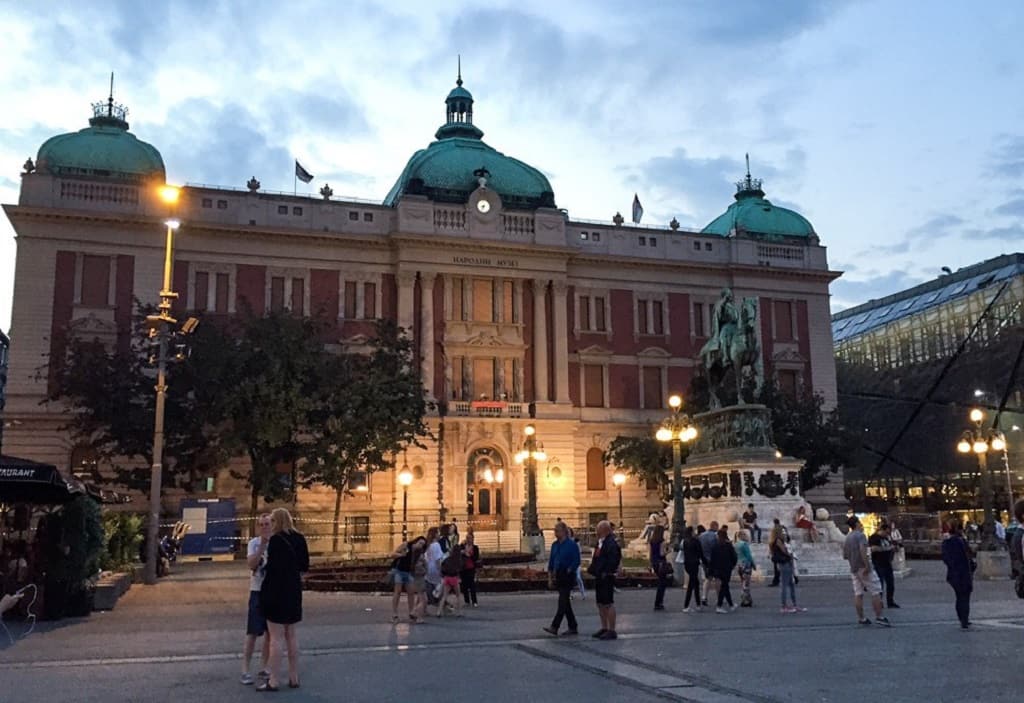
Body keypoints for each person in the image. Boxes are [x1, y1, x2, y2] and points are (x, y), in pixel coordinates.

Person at [257, 508, 310, 691]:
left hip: (275, 592)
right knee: (292, 636)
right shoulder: (300, 538)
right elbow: (305, 565)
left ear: (277, 521)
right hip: (293, 590)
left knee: (276, 638)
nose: (270, 524)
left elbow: (272, 569)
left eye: (272, 521)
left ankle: (273, 679)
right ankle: (294, 676)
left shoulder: (276, 540)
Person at [241, 514, 272, 686]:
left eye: (267, 524)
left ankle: (264, 667)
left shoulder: (276, 543)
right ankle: (245, 669)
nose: (264, 527)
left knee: (270, 633)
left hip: (271, 592)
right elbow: (252, 565)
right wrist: (262, 546)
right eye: (261, 525)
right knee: (252, 632)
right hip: (257, 591)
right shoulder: (254, 543)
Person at [843, 516, 889, 627]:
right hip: (863, 567)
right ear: (857, 524)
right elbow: (863, 550)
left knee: (858, 593)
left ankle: (861, 618)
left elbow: (845, 555)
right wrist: (867, 565)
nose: (861, 524)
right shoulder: (860, 536)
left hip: (853, 568)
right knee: (876, 590)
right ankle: (879, 616)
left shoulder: (848, 537)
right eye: (860, 522)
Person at [543, 521, 581, 636]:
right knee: (565, 603)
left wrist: (570, 569)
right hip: (558, 574)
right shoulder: (555, 545)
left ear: (564, 531)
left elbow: (576, 560)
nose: (555, 532)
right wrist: (550, 577)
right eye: (555, 530)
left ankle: (555, 626)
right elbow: (552, 561)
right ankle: (573, 626)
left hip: (567, 575)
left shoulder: (571, 545)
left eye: (557, 530)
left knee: (562, 601)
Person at [588, 520, 622, 640]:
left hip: (606, 576)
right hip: (599, 575)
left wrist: (606, 571)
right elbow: (596, 557)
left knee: (608, 603)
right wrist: (593, 569)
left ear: (604, 530)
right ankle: (604, 627)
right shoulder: (600, 543)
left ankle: (612, 629)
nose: (596, 532)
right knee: (600, 603)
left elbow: (614, 559)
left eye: (598, 529)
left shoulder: (611, 543)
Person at [941, 520, 974, 630]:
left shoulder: (946, 543)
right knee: (965, 597)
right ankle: (964, 619)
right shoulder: (961, 541)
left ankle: (962, 618)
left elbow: (945, 558)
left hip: (953, 573)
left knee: (959, 596)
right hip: (964, 572)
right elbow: (969, 555)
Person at [388, 535, 422, 623]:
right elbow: (393, 554)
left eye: (422, 544)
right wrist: (401, 555)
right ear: (416, 541)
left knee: (411, 592)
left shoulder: (418, 553)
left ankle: (411, 613)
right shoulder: (406, 545)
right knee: (398, 591)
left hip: (408, 572)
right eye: (420, 543)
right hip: (399, 571)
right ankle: (394, 614)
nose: (420, 545)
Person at [771, 524, 802, 613]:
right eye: (783, 531)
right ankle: (784, 606)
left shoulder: (779, 541)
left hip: (787, 563)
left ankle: (794, 605)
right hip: (784, 564)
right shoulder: (778, 541)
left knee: (791, 585)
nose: (784, 533)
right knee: (784, 586)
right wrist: (790, 554)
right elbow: (785, 552)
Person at [869, 522, 899, 608]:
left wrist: (894, 548)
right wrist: (887, 548)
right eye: (886, 532)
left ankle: (890, 601)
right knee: (880, 584)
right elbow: (873, 549)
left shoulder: (887, 538)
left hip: (887, 563)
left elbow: (891, 546)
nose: (887, 534)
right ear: (882, 530)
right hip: (879, 563)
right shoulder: (874, 537)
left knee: (890, 583)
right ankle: (879, 602)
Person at [709, 526, 737, 613]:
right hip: (726, 569)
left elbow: (712, 560)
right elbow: (734, 557)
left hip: (718, 569)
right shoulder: (728, 546)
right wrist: (732, 565)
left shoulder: (715, 546)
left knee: (725, 586)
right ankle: (719, 605)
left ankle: (731, 604)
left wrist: (711, 571)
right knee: (724, 586)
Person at [679, 527, 705, 612]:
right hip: (694, 564)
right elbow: (700, 553)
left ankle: (698, 604)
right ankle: (686, 606)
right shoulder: (695, 541)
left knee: (696, 583)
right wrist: (706, 563)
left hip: (687, 564)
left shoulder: (685, 541)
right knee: (691, 585)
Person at [649, 525, 672, 611]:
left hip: (655, 563)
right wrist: (668, 550)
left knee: (660, 582)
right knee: (662, 584)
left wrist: (650, 563)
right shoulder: (661, 541)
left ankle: (658, 602)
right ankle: (659, 602)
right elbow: (662, 553)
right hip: (661, 563)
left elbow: (650, 553)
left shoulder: (652, 541)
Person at [423, 527, 444, 617]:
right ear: (435, 534)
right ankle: (440, 609)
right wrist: (441, 570)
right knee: (441, 590)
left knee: (425, 591)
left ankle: (424, 609)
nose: (439, 535)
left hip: (428, 569)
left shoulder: (428, 545)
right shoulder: (436, 545)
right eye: (438, 533)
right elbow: (438, 560)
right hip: (435, 569)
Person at [439, 544, 464, 618]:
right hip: (454, 578)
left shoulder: (448, 559)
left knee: (444, 595)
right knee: (458, 595)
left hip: (447, 578)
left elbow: (442, 567)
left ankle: (439, 611)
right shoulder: (459, 560)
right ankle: (459, 612)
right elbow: (461, 568)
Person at [698, 521, 720, 606]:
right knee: (717, 579)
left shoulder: (701, 536)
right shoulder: (715, 536)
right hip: (714, 560)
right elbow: (716, 548)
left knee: (708, 579)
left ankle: (704, 597)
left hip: (704, 560)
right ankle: (719, 598)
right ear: (715, 526)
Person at [735, 530, 756, 607]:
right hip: (746, 564)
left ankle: (748, 599)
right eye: (745, 535)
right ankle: (745, 600)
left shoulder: (736, 544)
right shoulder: (744, 544)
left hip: (739, 565)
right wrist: (753, 565)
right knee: (746, 583)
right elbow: (749, 556)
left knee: (743, 582)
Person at [460, 532, 481, 607]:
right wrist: (462, 551)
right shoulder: (462, 546)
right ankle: (467, 601)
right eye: (467, 538)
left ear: (473, 539)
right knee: (464, 585)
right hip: (463, 568)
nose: (468, 540)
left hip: (471, 567)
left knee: (472, 585)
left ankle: (474, 601)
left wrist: (469, 555)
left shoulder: (475, 548)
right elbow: (458, 553)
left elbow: (476, 557)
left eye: (470, 538)